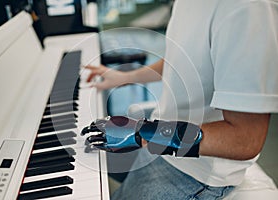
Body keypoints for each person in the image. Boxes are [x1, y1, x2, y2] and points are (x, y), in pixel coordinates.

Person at [83, 0, 278, 199]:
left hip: (195, 173)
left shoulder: (249, 8)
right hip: (162, 147)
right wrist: (125, 77)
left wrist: (143, 133)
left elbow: (245, 140)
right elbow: (181, 57)